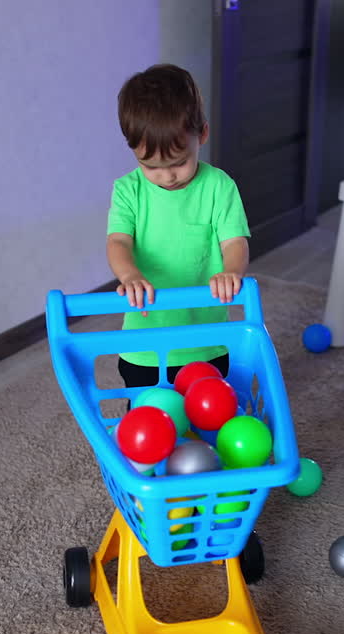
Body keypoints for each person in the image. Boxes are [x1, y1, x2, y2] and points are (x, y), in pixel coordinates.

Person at [106, 63, 250, 391]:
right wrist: (129, 276)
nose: (167, 176)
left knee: (210, 420)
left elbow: (235, 242)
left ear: (202, 134)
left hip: (207, 341)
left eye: (179, 162)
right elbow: (118, 242)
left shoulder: (219, 186)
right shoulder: (128, 190)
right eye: (150, 166)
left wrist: (231, 272)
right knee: (146, 419)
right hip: (144, 345)